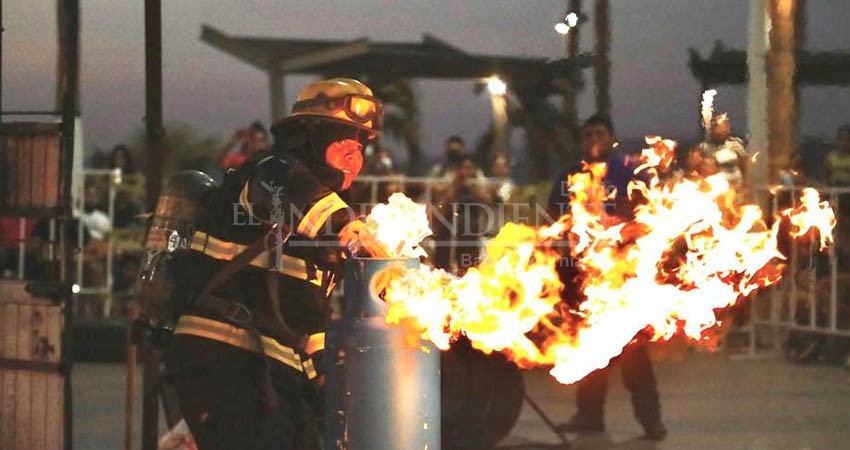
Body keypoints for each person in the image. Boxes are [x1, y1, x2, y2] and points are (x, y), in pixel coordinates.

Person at [164, 78, 385, 450]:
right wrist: (349, 229)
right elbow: (289, 188)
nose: (355, 154)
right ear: (309, 135)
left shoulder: (316, 235)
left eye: (362, 144)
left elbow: (305, 317)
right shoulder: (269, 170)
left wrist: (325, 383)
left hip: (271, 370)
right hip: (227, 357)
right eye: (345, 138)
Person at [548, 114, 666, 440]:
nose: (593, 139)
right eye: (587, 135)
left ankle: (650, 419)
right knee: (586, 348)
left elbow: (648, 218)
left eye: (599, 133)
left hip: (621, 277)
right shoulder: (569, 175)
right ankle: (589, 415)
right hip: (580, 278)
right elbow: (553, 221)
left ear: (612, 137)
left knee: (633, 355)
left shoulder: (628, 174)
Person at [699, 114, 748, 190]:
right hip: (716, 188)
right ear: (712, 131)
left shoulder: (735, 144)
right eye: (719, 133)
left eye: (725, 132)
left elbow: (745, 164)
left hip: (736, 187)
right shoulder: (704, 147)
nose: (722, 135)